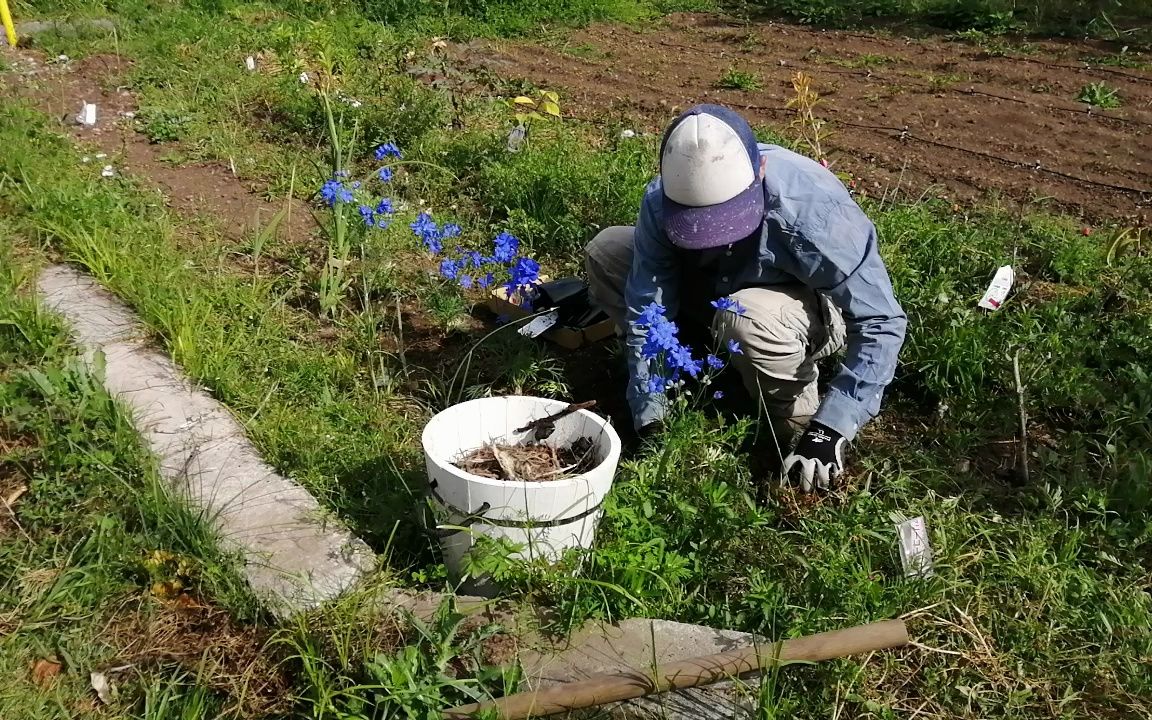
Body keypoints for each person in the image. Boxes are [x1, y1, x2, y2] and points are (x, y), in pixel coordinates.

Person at [585, 104, 907, 492]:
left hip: (802, 310)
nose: (719, 237)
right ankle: (692, 375)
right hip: (717, 297)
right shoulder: (661, 201)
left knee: (745, 317)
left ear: (761, 173)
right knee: (608, 251)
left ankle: (792, 427)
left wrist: (832, 427)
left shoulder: (812, 212)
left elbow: (880, 322)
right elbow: (648, 307)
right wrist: (651, 413)